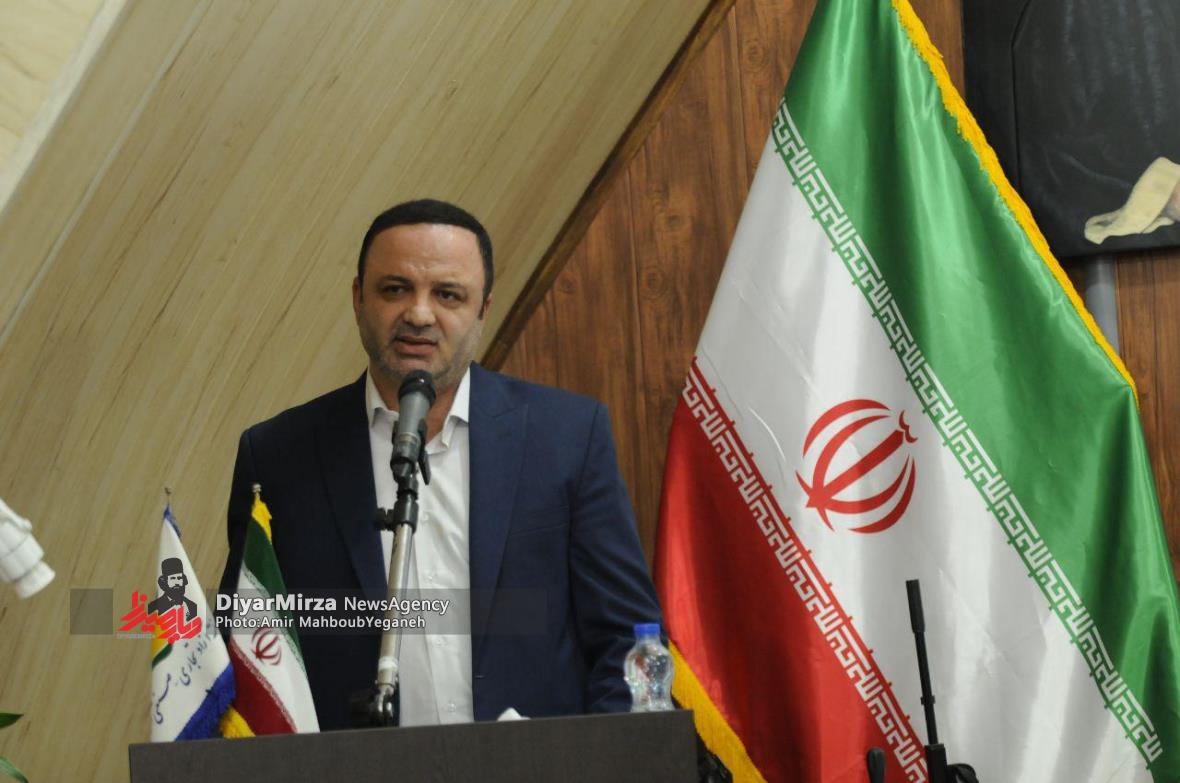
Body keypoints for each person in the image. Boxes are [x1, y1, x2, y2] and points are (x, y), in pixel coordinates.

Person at [217, 199, 663, 730]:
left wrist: (588, 762)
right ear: (358, 299)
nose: (420, 314)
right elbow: (250, 647)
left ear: (483, 309)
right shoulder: (279, 456)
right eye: (395, 289)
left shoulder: (565, 438)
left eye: (448, 294)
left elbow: (628, 638)